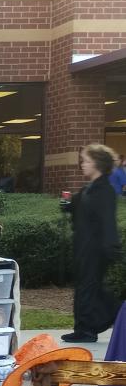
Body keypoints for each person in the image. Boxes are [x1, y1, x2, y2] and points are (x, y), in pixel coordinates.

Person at [62, 143, 121, 343]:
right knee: (85, 287)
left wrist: (111, 248)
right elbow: (76, 206)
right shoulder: (89, 188)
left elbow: (108, 222)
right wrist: (67, 205)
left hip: (96, 249)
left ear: (97, 164)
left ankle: (87, 330)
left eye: (86, 161)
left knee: (89, 287)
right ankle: (84, 327)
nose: (83, 164)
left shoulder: (105, 191)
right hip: (83, 247)